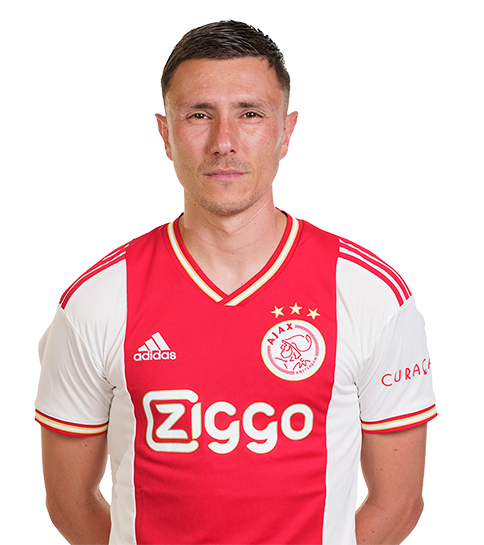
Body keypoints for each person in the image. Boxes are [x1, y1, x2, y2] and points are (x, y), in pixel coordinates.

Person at [35, 20, 437, 545]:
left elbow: (398, 504)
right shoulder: (97, 299)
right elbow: (70, 504)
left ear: (286, 131)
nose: (224, 142)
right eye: (199, 114)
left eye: (250, 114)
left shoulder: (372, 295)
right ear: (165, 133)